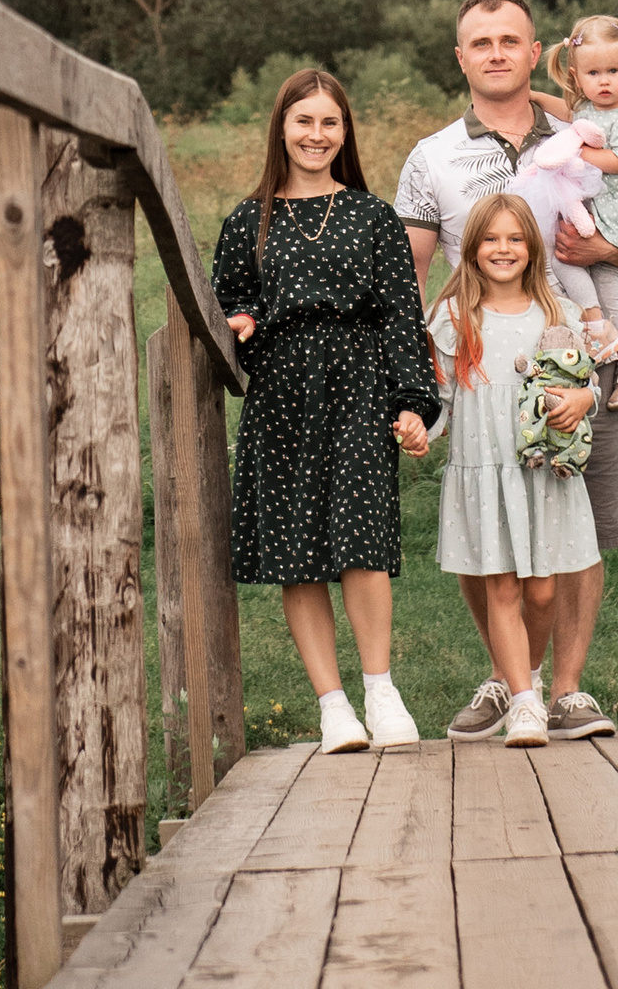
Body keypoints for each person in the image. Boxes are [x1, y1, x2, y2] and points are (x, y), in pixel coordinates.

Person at [396, 0, 618, 742]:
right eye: (480, 43)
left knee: (580, 524)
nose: (496, 54)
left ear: (533, 47)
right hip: (482, 362)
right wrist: (417, 369)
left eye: (509, 40)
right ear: (461, 57)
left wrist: (601, 253)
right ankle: (510, 681)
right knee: (488, 525)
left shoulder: (586, 127)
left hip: (578, 358)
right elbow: (408, 273)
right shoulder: (433, 156)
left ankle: (569, 692)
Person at [213, 68, 442, 754]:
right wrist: (244, 321)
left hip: (359, 388)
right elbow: (228, 299)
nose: (316, 135)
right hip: (283, 391)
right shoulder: (246, 220)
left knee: (362, 540)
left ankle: (381, 690)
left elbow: (403, 315)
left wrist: (411, 403)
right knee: (298, 551)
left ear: (345, 133)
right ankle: (333, 707)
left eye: (329, 123)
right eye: (304, 121)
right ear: (281, 127)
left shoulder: (373, 217)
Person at [426, 195, 600, 745]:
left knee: (544, 592)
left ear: (534, 247)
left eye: (515, 239)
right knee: (501, 585)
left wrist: (585, 402)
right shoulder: (454, 320)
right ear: (471, 250)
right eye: (491, 239)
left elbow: (586, 382)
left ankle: (529, 678)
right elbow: (441, 401)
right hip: (486, 473)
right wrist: (415, 429)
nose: (503, 249)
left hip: (543, 473)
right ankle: (525, 703)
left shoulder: (560, 316)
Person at [533, 16, 618, 408]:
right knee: (608, 288)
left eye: (613, 71)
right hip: (597, 213)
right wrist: (540, 100)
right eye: (594, 73)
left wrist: (574, 150)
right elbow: (575, 119)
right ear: (576, 77)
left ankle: (601, 329)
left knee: (568, 264)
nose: (604, 81)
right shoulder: (593, 108)